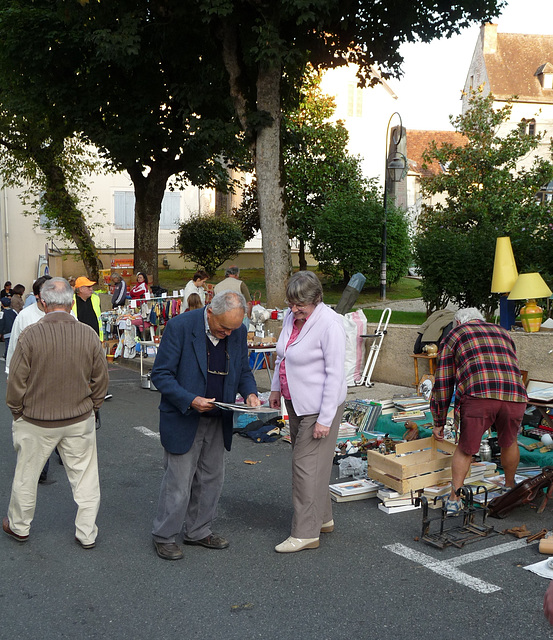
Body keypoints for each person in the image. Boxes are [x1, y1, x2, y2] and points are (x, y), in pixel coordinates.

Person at [151, 290, 260, 560]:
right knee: (178, 482)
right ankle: (164, 536)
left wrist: (250, 392)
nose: (227, 334)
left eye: (233, 329)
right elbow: (160, 375)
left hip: (217, 415)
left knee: (211, 478)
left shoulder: (237, 330)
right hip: (184, 415)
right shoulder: (180, 326)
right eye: (223, 328)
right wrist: (190, 400)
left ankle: (198, 530)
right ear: (209, 311)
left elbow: (243, 370)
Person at [3, 277, 109, 548]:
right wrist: (93, 406)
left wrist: (17, 411)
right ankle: (87, 533)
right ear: (72, 303)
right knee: (85, 478)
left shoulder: (30, 334)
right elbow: (101, 379)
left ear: (44, 302)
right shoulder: (87, 334)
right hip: (78, 417)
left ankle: (19, 526)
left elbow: (16, 381)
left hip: (36, 419)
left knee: (26, 476)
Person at [269, 271, 347, 553]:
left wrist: (325, 419)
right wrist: (275, 389)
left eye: (299, 305)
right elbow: (283, 356)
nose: (293, 310)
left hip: (319, 406)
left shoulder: (330, 325)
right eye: (290, 304)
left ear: (316, 299)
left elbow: (335, 375)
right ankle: (323, 519)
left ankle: (305, 533)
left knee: (304, 468)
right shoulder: (292, 318)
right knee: (314, 466)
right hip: (296, 401)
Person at [431, 307, 528, 515]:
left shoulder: (455, 335)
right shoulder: (503, 332)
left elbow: (443, 382)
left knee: (466, 448)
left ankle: (454, 499)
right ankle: (509, 487)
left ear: (458, 323)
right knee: (508, 441)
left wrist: (438, 420)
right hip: (515, 395)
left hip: (479, 395)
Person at [5, 275, 52, 374]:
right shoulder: (24, 316)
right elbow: (14, 345)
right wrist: (10, 372)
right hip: (33, 374)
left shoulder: (67, 313)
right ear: (36, 295)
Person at [72, 276, 103, 340]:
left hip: (95, 337)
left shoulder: (95, 298)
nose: (91, 289)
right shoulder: (71, 301)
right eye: (88, 287)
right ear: (80, 289)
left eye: (91, 287)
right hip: (79, 338)